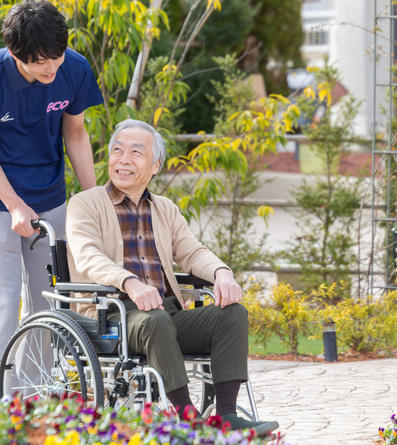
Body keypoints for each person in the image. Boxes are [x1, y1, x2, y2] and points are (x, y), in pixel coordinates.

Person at [65, 119, 279, 435]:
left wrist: (222, 273)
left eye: (135, 152)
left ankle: (228, 416)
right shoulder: (85, 203)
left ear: (155, 165)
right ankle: (189, 419)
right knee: (155, 319)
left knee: (231, 314)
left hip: (165, 316)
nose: (123, 159)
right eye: (117, 150)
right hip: (111, 317)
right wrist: (130, 282)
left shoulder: (164, 209)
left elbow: (192, 251)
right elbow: (87, 256)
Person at [0, 0, 103, 399]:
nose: (51, 68)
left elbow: (75, 135)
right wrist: (15, 204)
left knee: (48, 306)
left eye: (57, 56)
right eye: (39, 62)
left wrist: (94, 199)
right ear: (15, 54)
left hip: (50, 196)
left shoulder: (73, 68)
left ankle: (33, 401)